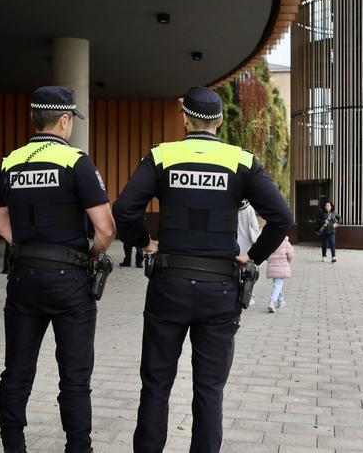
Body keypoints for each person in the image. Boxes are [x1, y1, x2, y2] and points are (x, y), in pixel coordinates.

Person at [113, 86, 292, 453]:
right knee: (209, 390)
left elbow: (124, 210)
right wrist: (253, 256)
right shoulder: (241, 161)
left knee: (156, 385)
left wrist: (145, 243)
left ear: (185, 119)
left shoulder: (161, 156)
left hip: (169, 284)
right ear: (220, 120)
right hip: (220, 290)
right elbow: (281, 216)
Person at [0, 86, 115, 453]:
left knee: (16, 371)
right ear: (63, 120)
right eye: (71, 119)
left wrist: (30, 249)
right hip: (70, 281)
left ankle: (13, 445)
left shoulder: (9, 162)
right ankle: (78, 448)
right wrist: (90, 253)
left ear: (35, 118)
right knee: (74, 377)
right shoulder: (77, 162)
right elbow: (106, 229)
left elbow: (2, 226)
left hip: (23, 278)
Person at [236, 200, 260, 305]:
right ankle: (248, 295)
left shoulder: (233, 207)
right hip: (247, 245)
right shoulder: (249, 209)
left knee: (237, 270)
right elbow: (255, 226)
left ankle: (237, 293)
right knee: (249, 271)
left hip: (235, 243)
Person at [265, 236, 294, 313]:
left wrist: (270, 260)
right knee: (278, 284)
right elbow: (291, 254)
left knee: (277, 284)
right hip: (282, 266)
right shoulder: (285, 242)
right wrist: (288, 261)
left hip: (272, 267)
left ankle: (281, 301)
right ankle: (272, 302)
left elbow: (265, 254)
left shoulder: (269, 242)